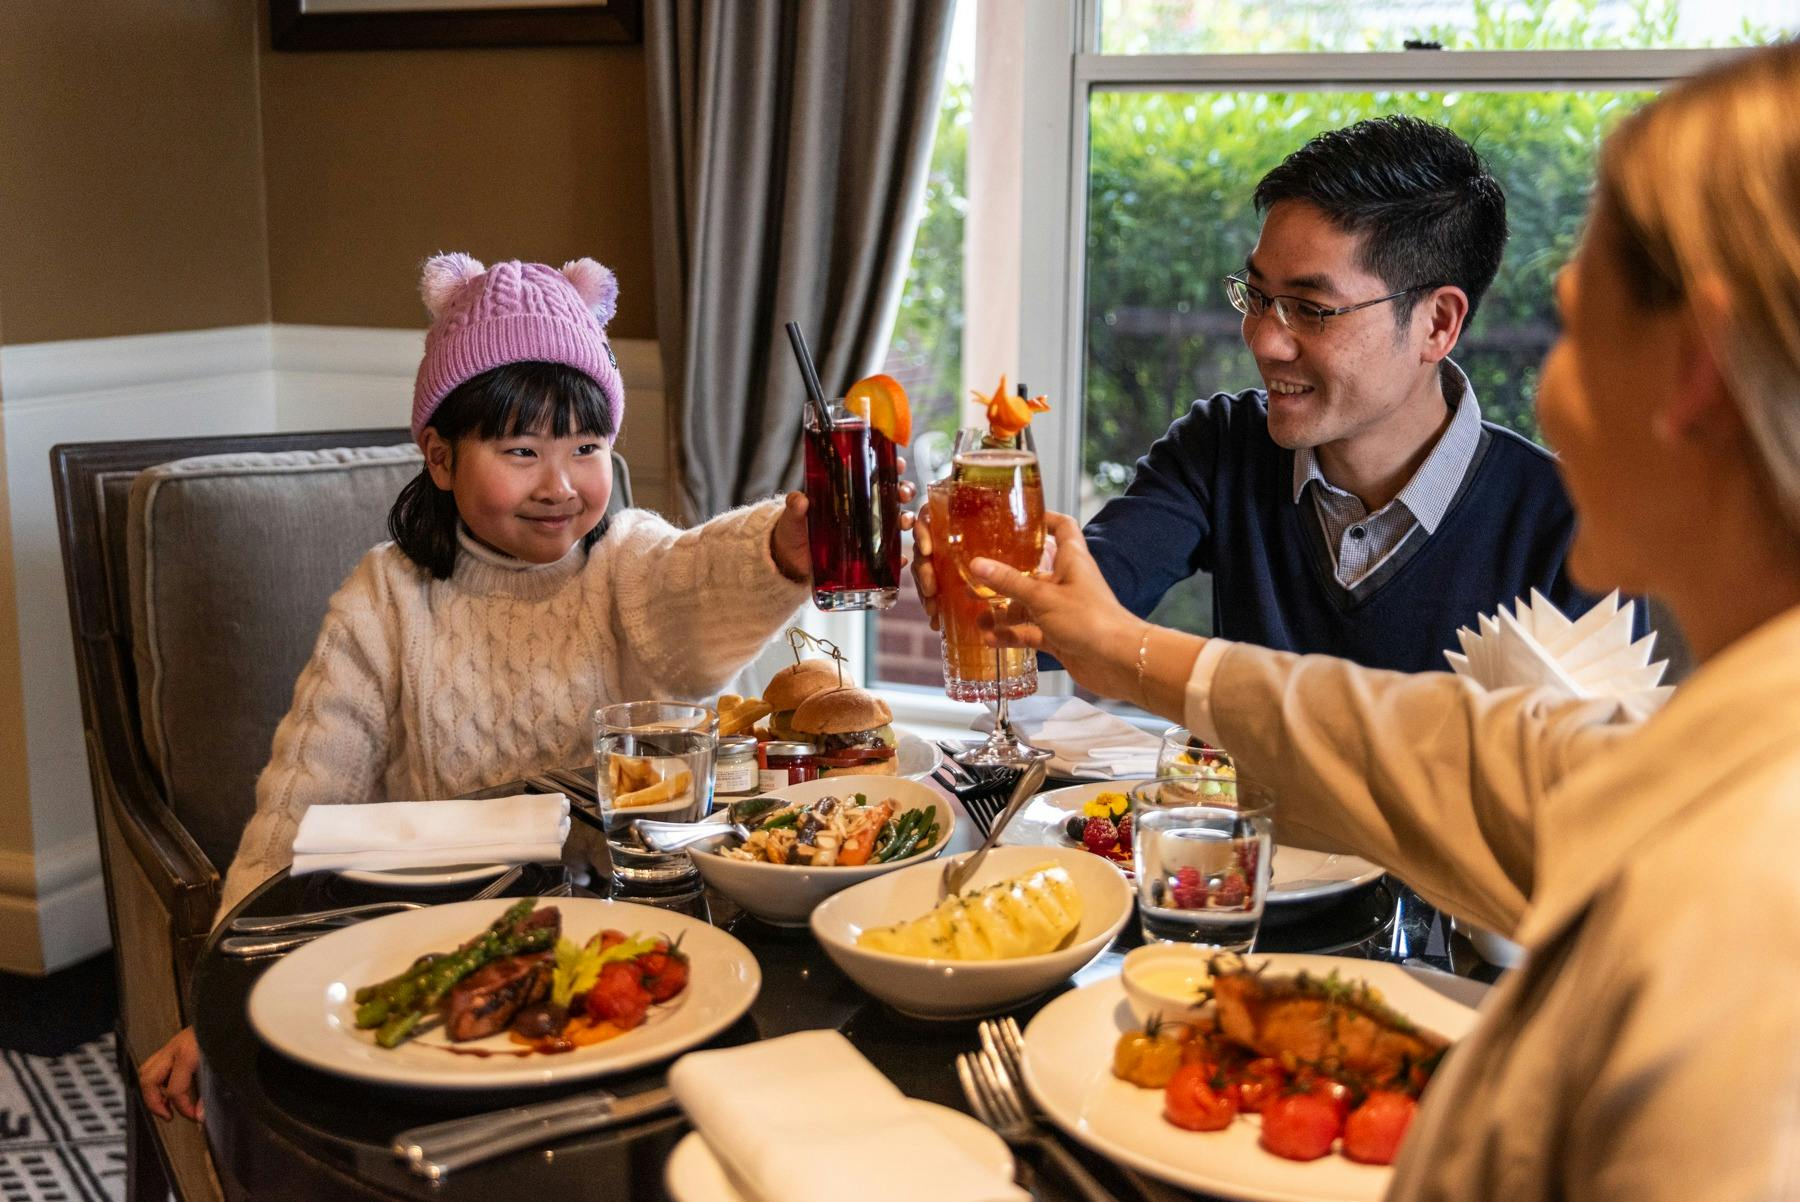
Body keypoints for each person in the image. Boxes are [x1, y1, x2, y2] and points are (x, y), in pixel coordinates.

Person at [968, 45, 1800, 1200]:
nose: (1266, 338)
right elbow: (1456, 752)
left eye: (1574, 327)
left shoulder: (1752, 881)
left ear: (1695, 370)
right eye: (1260, 297)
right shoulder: (1712, 759)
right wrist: (1104, 640)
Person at [137, 253, 848, 1123]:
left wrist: (784, 547)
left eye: (587, 449)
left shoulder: (625, 560)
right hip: (436, 957)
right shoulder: (385, 600)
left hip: (626, 949)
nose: (560, 485)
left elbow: (696, 582)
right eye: (521, 452)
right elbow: (301, 805)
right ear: (439, 457)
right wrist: (224, 997)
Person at [917, 116, 1615, 674]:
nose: (1263, 339)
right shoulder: (1221, 448)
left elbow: (1587, 799)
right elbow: (1069, 619)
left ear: (1437, 323)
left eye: (1310, 308)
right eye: (1257, 295)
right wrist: (996, 592)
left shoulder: (1569, 526)